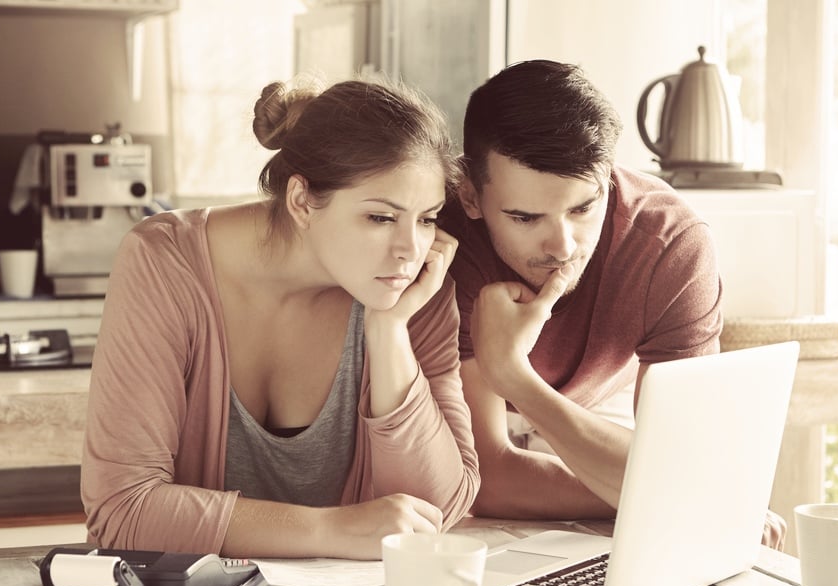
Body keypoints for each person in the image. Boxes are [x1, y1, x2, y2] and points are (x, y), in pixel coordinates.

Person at [81, 75, 480, 560]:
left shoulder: (416, 289)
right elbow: (122, 510)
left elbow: (439, 509)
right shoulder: (166, 263)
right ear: (301, 201)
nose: (410, 249)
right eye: (380, 217)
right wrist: (331, 530)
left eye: (427, 218)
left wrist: (390, 332)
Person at [440, 59, 786, 548]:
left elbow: (678, 458)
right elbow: (489, 481)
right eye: (524, 218)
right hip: (472, 428)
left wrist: (513, 374)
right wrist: (691, 497)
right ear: (471, 197)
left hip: (605, 406)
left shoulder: (671, 244)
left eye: (583, 208)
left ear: (610, 177)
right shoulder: (447, 241)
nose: (561, 246)